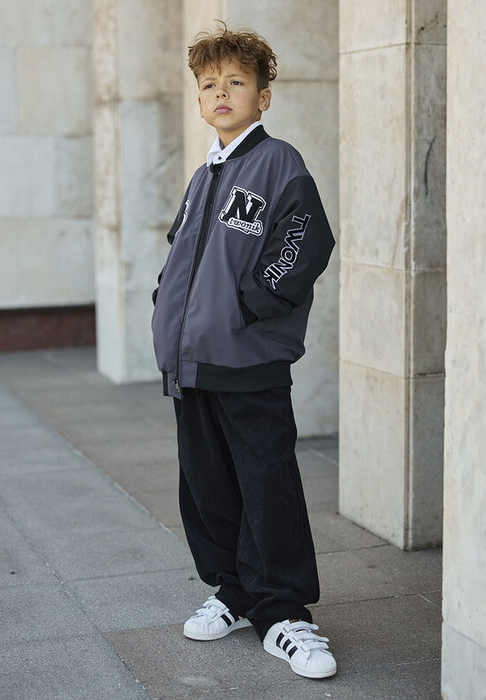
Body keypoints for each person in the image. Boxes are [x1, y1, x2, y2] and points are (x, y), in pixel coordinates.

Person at [151, 22, 337, 680]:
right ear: (200, 101)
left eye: (236, 81)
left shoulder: (277, 161)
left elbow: (306, 238)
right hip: (192, 364)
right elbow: (182, 254)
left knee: (266, 484)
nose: (221, 93)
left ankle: (283, 611)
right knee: (207, 486)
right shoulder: (205, 173)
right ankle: (233, 591)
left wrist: (255, 301)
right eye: (209, 85)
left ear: (263, 96)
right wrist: (164, 303)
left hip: (248, 360)